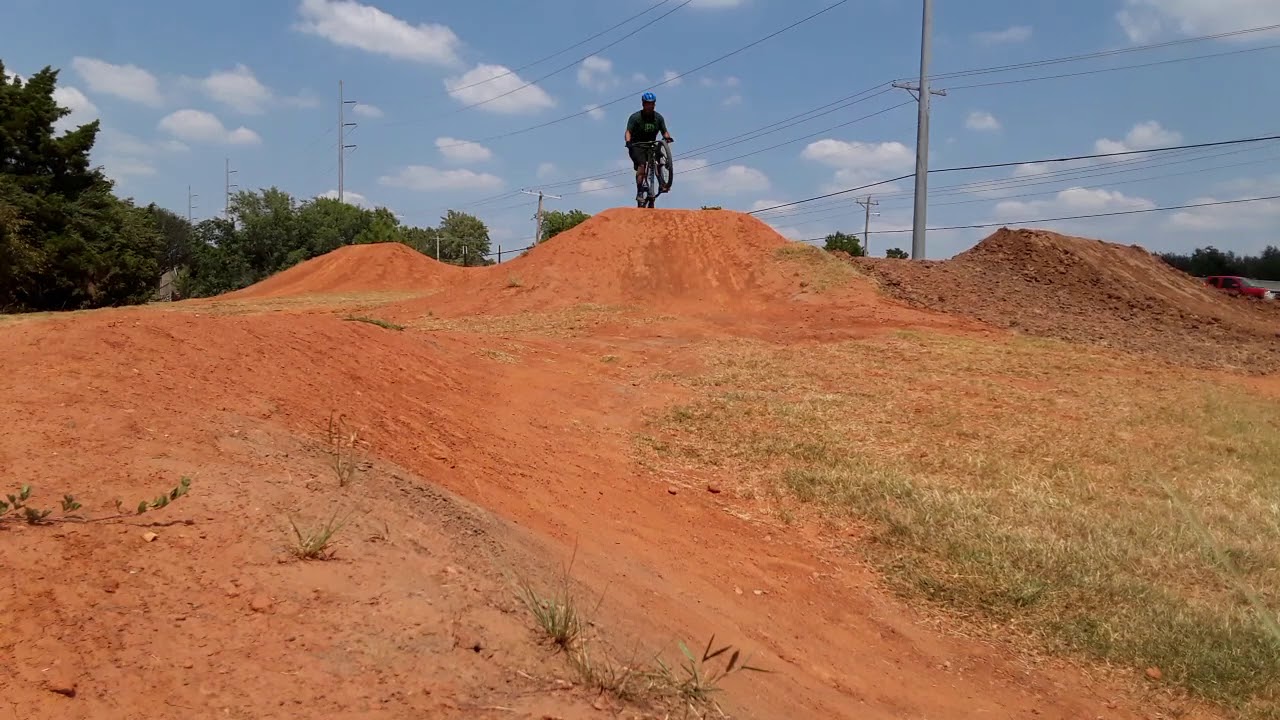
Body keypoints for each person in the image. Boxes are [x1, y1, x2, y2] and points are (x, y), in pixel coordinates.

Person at [624, 91, 674, 199]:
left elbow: (664, 131)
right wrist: (628, 142)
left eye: (652, 103)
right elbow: (628, 132)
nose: (650, 106)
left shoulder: (658, 118)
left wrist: (667, 138)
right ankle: (639, 191)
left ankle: (662, 184)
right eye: (647, 103)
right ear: (643, 104)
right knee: (642, 165)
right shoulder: (635, 117)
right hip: (637, 145)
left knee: (658, 161)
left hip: (651, 145)